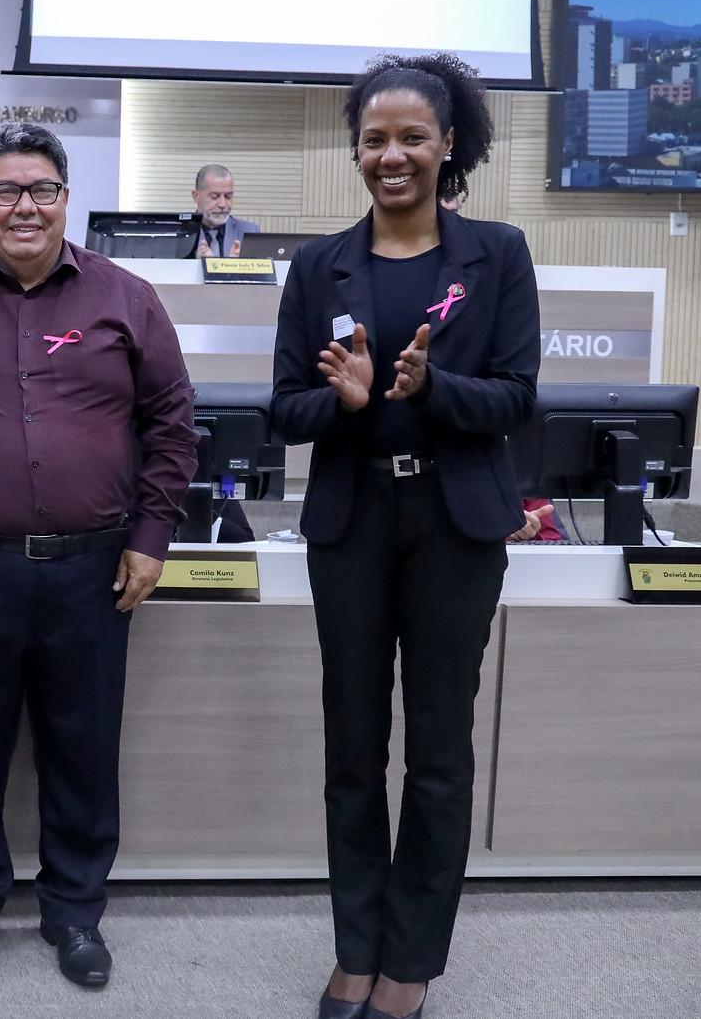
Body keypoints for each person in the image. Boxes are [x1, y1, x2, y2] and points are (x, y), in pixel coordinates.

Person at [0, 123, 199, 991]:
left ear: (65, 197)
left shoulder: (126, 298)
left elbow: (171, 425)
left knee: (82, 746)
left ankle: (74, 912)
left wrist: (151, 537)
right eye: (6, 191)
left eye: (42, 190)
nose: (25, 207)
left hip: (92, 571)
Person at [271, 53, 539, 1019]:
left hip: (452, 526)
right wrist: (341, 404)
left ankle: (410, 961)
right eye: (374, 139)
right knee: (351, 747)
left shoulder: (496, 254)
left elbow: (515, 397)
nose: (391, 155)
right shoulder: (318, 266)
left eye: (411, 138)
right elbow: (283, 410)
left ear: (447, 144)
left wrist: (433, 388)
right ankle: (355, 948)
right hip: (350, 525)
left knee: (436, 751)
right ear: (357, 149)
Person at [190, 163, 259, 257]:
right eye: (214, 196)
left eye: (228, 196)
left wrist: (237, 265)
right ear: (196, 196)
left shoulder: (249, 231)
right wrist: (196, 264)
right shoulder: (179, 232)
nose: (223, 204)